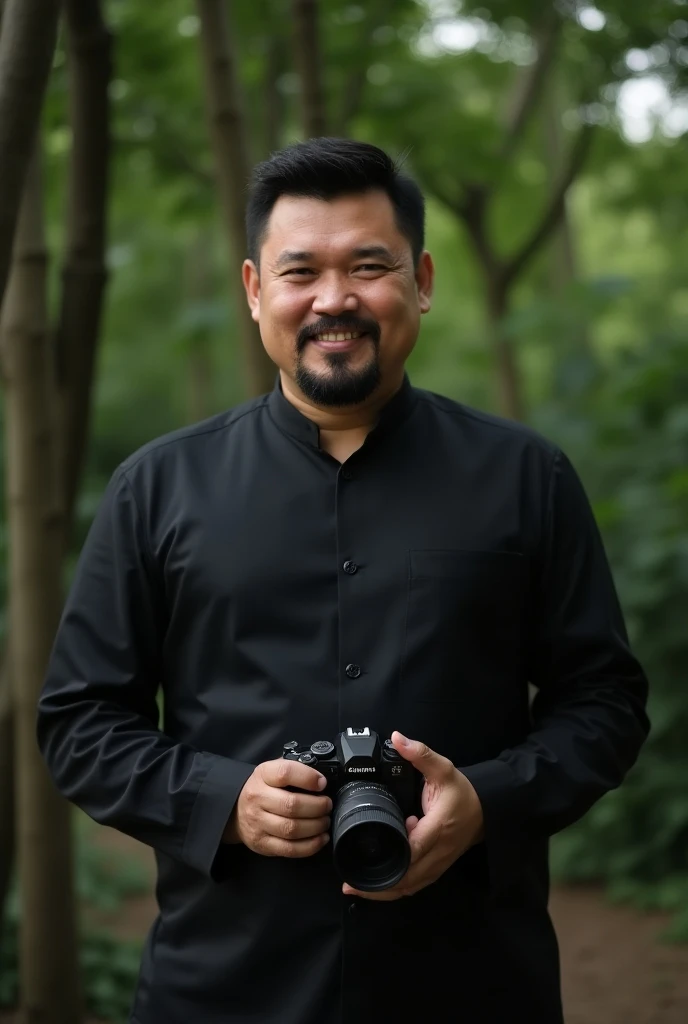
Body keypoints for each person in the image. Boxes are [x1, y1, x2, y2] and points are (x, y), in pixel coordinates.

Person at [37, 137, 650, 1024]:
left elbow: (605, 701)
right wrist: (220, 800)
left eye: (369, 265)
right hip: (224, 986)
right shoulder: (156, 487)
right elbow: (79, 720)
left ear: (423, 280)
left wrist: (489, 802)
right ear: (255, 292)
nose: (334, 299)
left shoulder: (528, 478)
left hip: (474, 983)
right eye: (301, 272)